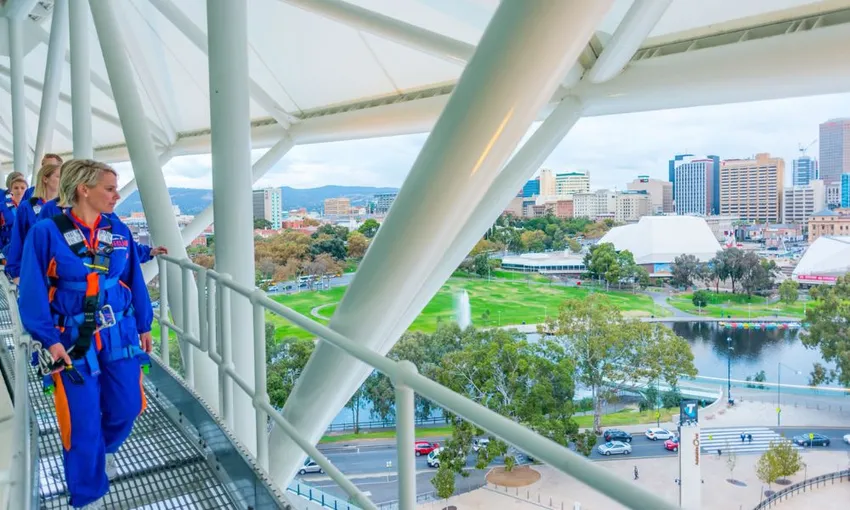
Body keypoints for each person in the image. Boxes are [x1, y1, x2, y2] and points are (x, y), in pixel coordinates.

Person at [19, 159, 153, 509]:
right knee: (81, 422)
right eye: (109, 188)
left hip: (119, 333)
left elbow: (133, 279)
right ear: (84, 189)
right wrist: (50, 341)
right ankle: (87, 493)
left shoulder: (118, 231)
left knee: (128, 406)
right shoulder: (46, 233)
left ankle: (102, 451)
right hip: (70, 339)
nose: (116, 195)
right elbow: (32, 292)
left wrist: (144, 324)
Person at [5, 163, 61, 281]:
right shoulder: (27, 207)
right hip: (34, 266)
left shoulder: (67, 207)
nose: (62, 180)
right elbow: (18, 238)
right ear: (45, 179)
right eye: (58, 176)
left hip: (59, 269)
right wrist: (15, 271)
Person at [0, 173, 28, 260]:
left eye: (22, 188)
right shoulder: (2, 206)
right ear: (10, 190)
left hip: (26, 250)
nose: (19, 191)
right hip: (6, 250)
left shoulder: (33, 207)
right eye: (16, 188)